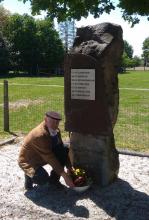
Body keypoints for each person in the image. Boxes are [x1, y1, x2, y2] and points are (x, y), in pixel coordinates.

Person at [18, 111, 75, 190]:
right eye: (53, 121)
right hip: (29, 161)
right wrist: (65, 176)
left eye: (57, 122)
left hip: (42, 156)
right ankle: (29, 176)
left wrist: (69, 168)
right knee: (42, 179)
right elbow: (50, 158)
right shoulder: (40, 135)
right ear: (45, 119)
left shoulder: (55, 130)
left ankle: (54, 181)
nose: (55, 124)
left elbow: (61, 149)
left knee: (64, 149)